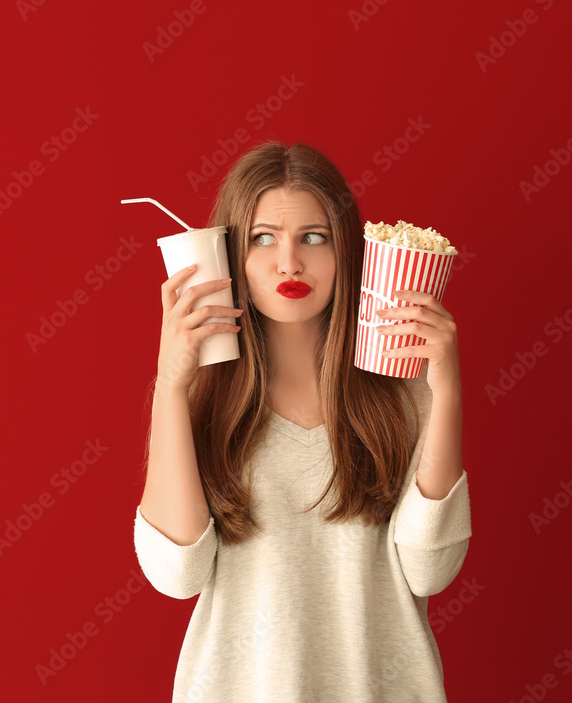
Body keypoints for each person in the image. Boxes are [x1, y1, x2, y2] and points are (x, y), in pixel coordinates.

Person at [134, 140, 472, 702]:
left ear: (347, 252)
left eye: (313, 238)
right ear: (229, 254)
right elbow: (176, 575)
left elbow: (429, 571)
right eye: (263, 238)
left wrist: (449, 392)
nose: (289, 261)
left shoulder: (406, 391)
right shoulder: (198, 399)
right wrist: (170, 388)